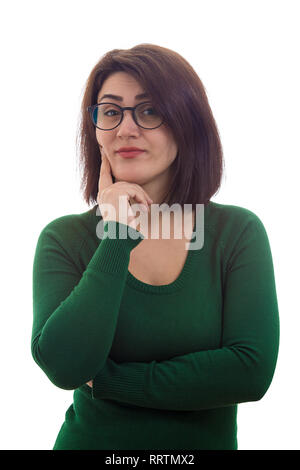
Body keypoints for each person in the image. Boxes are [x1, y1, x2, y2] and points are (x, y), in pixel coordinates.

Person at [31, 43, 280, 450]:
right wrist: (115, 237)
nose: (126, 129)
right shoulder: (64, 239)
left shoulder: (236, 232)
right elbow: (65, 365)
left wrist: (111, 380)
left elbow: (250, 372)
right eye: (111, 111)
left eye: (149, 111)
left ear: (188, 124)